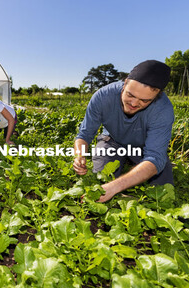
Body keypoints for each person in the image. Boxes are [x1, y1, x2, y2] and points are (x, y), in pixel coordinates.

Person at [73, 60, 174, 203]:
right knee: (100, 180)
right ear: (125, 83)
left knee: (164, 192)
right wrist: (79, 155)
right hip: (112, 141)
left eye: (144, 101)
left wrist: (115, 187)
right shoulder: (103, 96)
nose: (133, 104)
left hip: (143, 147)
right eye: (130, 95)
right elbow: (84, 134)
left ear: (157, 96)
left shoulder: (163, 110)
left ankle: (131, 165)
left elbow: (155, 158)